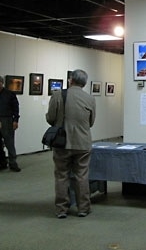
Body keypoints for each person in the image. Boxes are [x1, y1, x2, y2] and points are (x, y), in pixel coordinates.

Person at [46, 69, 96, 219]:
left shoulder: (57, 95)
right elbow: (91, 122)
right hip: (83, 142)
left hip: (62, 142)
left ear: (70, 80)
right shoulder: (90, 99)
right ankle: (83, 208)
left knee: (62, 176)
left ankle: (61, 209)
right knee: (82, 176)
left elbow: (50, 118)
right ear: (84, 83)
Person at [0, 75, 21, 172]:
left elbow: (15, 108)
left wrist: (15, 120)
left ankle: (13, 163)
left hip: (7, 120)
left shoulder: (10, 94)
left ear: (2, 83)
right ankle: (2, 163)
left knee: (9, 142)